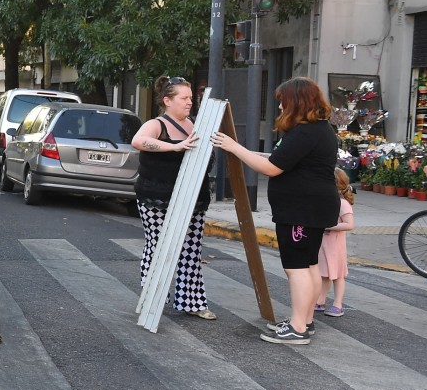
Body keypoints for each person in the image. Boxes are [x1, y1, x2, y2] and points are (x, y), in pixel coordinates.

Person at [213, 77, 341, 345]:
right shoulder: (319, 129)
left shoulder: (305, 133)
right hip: (312, 206)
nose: (280, 106)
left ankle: (298, 328)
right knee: (309, 265)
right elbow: (276, 159)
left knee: (296, 268)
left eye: (283, 101)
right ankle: (304, 321)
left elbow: (272, 168)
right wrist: (243, 151)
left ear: (296, 101)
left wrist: (233, 147)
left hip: (301, 210)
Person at [130, 76, 214, 320]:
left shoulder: (195, 124)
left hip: (193, 199)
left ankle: (192, 303)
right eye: (184, 98)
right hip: (157, 197)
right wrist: (175, 147)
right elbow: (138, 140)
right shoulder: (158, 124)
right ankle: (152, 299)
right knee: (157, 246)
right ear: (167, 101)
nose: (190, 102)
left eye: (191, 98)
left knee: (191, 249)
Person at [315, 168, 355, 317]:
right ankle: (320, 300)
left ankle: (338, 304)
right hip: (323, 244)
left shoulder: (343, 204)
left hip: (335, 245)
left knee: (338, 275)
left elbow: (349, 224)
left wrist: (329, 226)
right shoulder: (327, 200)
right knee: (324, 273)